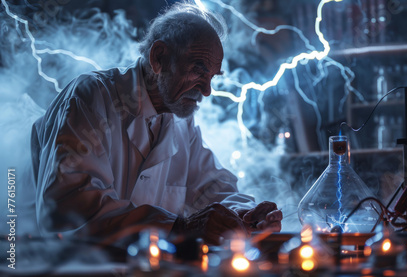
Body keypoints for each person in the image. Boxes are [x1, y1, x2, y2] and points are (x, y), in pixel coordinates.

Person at [30, 2, 282, 245]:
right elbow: (67, 207)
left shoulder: (181, 123)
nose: (206, 90)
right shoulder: (91, 98)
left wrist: (246, 214)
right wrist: (178, 227)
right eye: (198, 69)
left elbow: (212, 188)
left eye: (211, 77)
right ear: (158, 57)